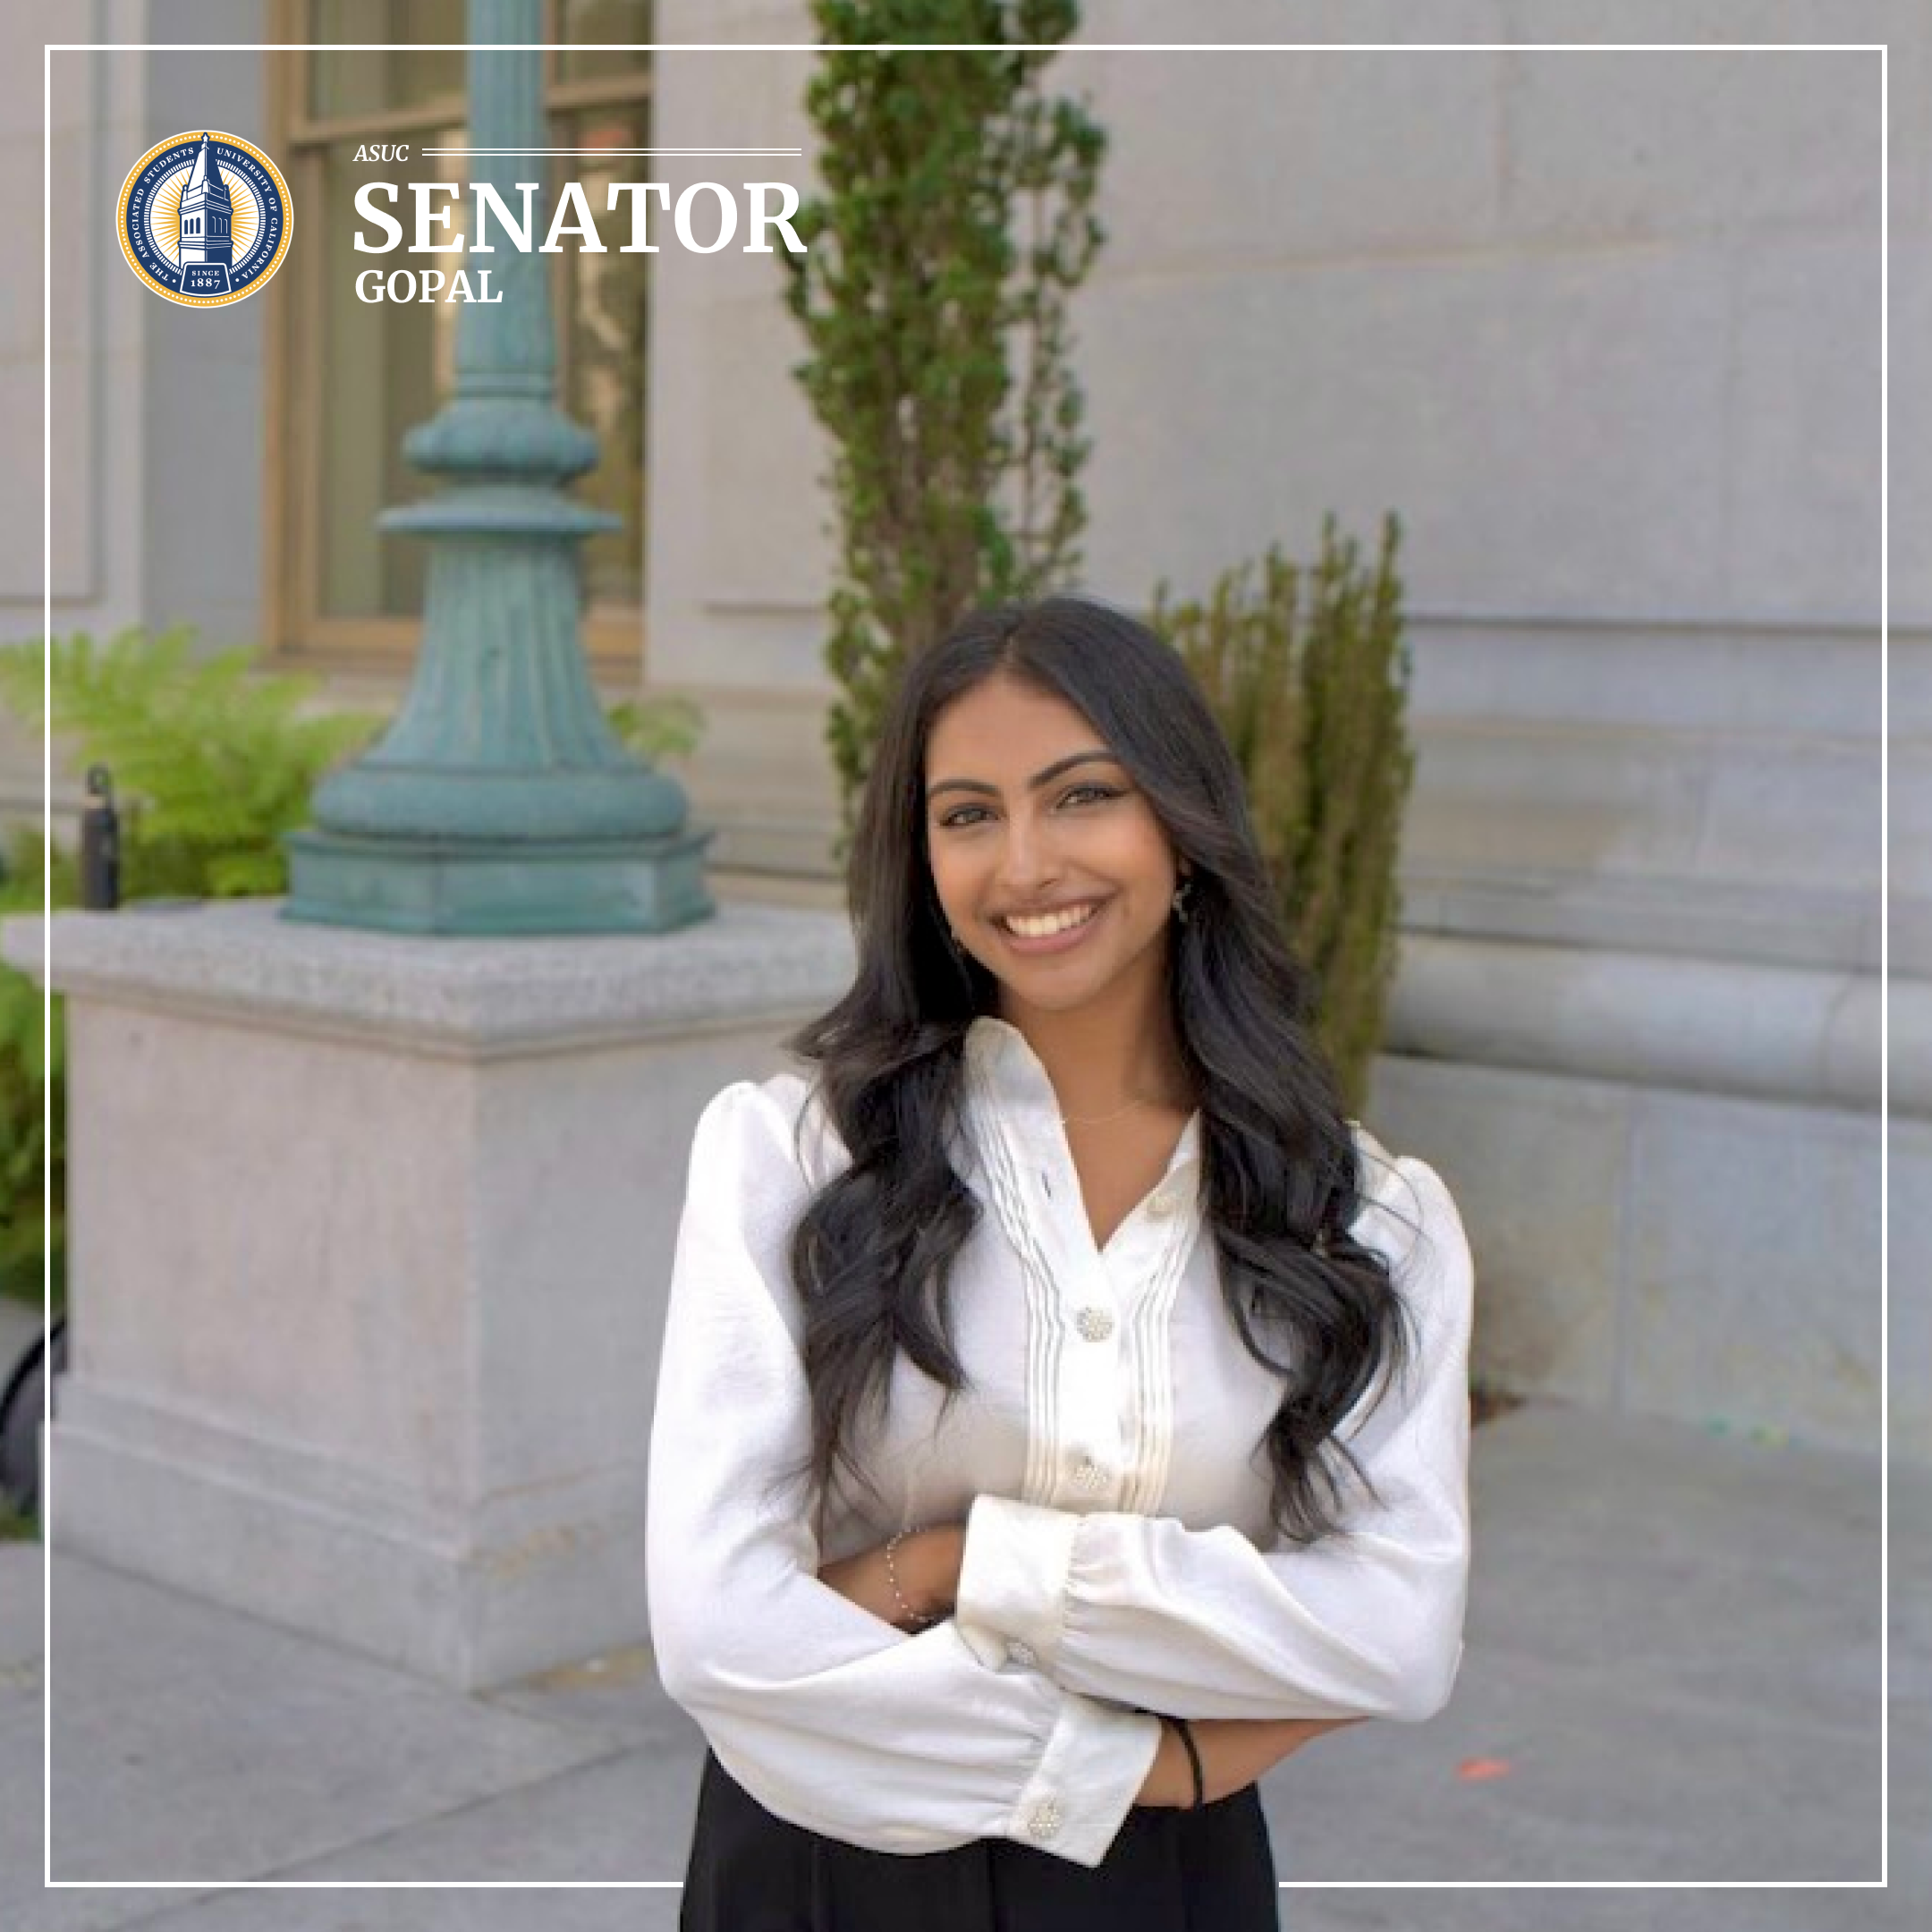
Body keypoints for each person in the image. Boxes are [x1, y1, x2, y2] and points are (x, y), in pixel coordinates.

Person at [646, 596, 1475, 1929]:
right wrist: (1134, 1751)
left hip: (1169, 1879)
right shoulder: (793, 1163)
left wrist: (974, 1566)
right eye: (968, 814)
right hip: (823, 1864)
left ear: (1183, 829)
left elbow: (1395, 1630)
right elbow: (718, 1630)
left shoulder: (1366, 1219)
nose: (1025, 863)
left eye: (1081, 795)